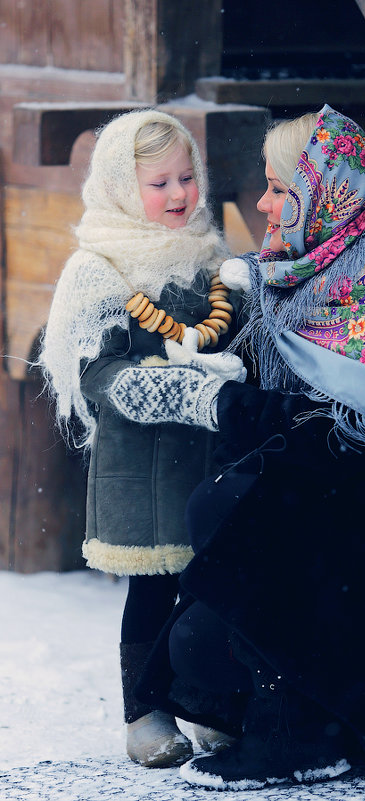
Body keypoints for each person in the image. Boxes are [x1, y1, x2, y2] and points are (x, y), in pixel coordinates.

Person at [104, 105, 365, 790]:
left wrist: (222, 404)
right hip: (352, 529)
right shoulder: (307, 259)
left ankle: (294, 731)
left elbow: (349, 428)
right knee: (194, 645)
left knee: (242, 500)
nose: (262, 203)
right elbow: (238, 338)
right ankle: (320, 717)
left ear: (326, 192)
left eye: (276, 187)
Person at [39, 108, 245, 768]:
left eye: (187, 177)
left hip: (207, 462)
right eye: (160, 184)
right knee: (153, 590)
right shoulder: (100, 270)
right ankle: (144, 709)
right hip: (144, 465)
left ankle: (214, 702)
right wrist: (180, 389)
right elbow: (99, 373)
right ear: (124, 189)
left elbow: (228, 337)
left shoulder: (209, 260)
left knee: (215, 586)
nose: (181, 194)